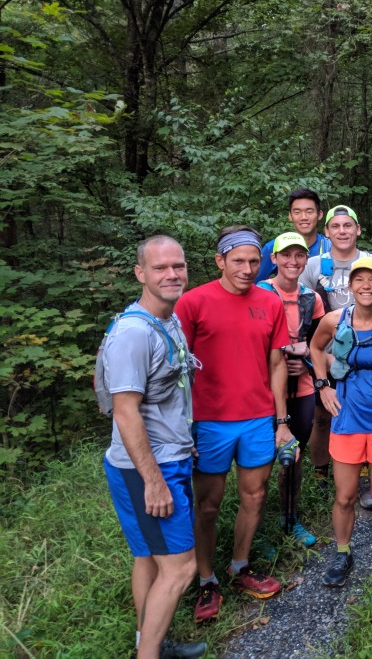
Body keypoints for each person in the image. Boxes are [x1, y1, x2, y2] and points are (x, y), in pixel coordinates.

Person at [174, 226, 292, 622]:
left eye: (254, 261)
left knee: (254, 497)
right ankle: (206, 579)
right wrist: (182, 423)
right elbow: (177, 369)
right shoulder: (192, 303)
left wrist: (281, 419)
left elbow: (277, 362)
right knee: (207, 505)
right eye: (238, 261)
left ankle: (239, 566)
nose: (246, 269)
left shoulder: (269, 301)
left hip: (258, 417)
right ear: (220, 260)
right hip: (209, 421)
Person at [100, 236, 206, 659]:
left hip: (168, 456)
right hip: (147, 468)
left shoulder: (168, 319)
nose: (171, 275)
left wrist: (184, 438)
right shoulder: (131, 334)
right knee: (182, 568)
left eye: (177, 266)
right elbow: (124, 412)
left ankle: (150, 643)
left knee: (149, 558)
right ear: (140, 274)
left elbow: (170, 394)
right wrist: (153, 481)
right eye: (160, 268)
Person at [310, 257, 372, 587]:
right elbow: (315, 346)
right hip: (346, 417)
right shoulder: (333, 319)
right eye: (359, 280)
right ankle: (343, 553)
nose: (366, 285)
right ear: (350, 286)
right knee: (345, 496)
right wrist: (323, 385)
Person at [299, 204, 372, 510]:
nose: (342, 231)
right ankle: (323, 475)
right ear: (326, 232)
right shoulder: (314, 265)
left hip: (369, 356)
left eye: (348, 226)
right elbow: (302, 306)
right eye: (335, 226)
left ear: (358, 229)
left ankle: (363, 477)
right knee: (324, 414)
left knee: (366, 412)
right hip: (327, 352)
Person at [257, 232, 327, 548]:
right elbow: (251, 343)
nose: (293, 262)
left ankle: (290, 518)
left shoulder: (312, 298)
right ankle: (256, 528)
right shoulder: (259, 294)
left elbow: (319, 344)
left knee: (294, 456)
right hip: (264, 391)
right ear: (274, 259)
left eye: (299, 255)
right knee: (258, 461)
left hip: (301, 390)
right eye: (286, 255)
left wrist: (305, 362)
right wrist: (287, 355)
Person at [256, 187, 332, 282]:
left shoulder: (329, 247)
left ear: (319, 214)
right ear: (290, 216)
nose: (303, 217)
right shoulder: (274, 247)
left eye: (309, 212)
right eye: (297, 212)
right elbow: (254, 285)